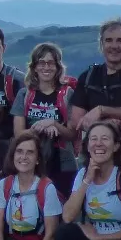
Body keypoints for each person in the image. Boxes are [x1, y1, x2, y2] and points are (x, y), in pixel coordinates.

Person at [0, 130, 63, 240]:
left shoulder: (46, 188)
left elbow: (51, 234)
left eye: (30, 153)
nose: (23, 157)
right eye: (19, 152)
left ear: (37, 159)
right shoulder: (4, 185)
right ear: (13, 156)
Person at [70, 18, 121, 146]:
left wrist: (102, 110)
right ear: (101, 45)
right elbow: (76, 121)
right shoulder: (88, 77)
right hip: (95, 152)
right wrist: (106, 125)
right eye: (108, 40)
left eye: (120, 41)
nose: (114, 46)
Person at [11, 41, 76, 200]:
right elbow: (18, 134)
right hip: (30, 160)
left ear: (58, 66)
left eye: (51, 63)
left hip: (63, 162)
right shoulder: (24, 95)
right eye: (41, 62)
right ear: (34, 66)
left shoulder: (68, 95)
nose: (46, 67)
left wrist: (53, 124)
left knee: (61, 203)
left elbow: (73, 134)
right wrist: (41, 127)